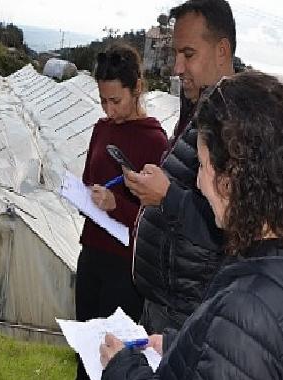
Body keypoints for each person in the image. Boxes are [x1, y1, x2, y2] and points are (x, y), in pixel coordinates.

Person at [101, 70, 283, 380]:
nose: (198, 183)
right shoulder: (263, 261)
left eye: (202, 165)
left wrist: (122, 369)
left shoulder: (246, 306)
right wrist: (179, 345)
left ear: (232, 180)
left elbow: (239, 343)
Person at [123, 0, 235, 335]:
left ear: (221, 50)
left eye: (188, 54)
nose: (176, 67)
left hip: (188, 317)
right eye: (176, 54)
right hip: (165, 307)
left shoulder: (236, 126)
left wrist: (167, 196)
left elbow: (233, 227)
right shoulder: (203, 108)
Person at [74, 43, 168, 380]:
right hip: (92, 255)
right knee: (85, 353)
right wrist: (86, 196)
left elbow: (158, 216)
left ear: (137, 89)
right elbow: (89, 179)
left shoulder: (155, 141)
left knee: (112, 360)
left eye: (116, 100)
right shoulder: (102, 128)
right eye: (103, 101)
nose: (109, 110)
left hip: (124, 266)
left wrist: (119, 206)